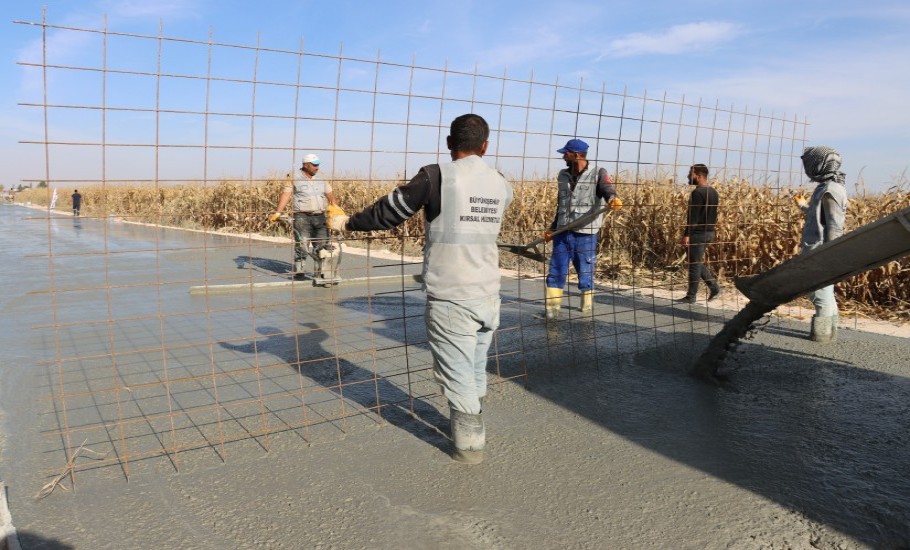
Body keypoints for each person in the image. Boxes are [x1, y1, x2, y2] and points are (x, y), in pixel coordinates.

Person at [327, 114, 512, 465]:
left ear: (448, 143)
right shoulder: (501, 183)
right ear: (485, 146)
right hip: (489, 294)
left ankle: (469, 452)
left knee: (457, 376)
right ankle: (474, 424)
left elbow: (389, 212)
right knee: (474, 368)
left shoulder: (436, 176)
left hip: (451, 296)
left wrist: (346, 221)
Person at [542, 138, 622, 320]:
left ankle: (585, 311)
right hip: (562, 232)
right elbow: (561, 204)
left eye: (566, 153)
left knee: (585, 272)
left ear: (576, 155)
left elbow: (607, 188)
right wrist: (552, 228)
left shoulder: (598, 173)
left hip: (586, 233)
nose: (563, 156)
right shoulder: (562, 175)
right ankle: (551, 311)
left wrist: (612, 198)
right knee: (556, 270)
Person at [795, 146, 847, 342]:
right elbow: (820, 216)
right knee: (825, 290)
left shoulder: (831, 189)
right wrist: (802, 206)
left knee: (817, 290)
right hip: (819, 249)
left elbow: (835, 225)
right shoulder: (827, 187)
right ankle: (829, 331)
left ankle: (822, 334)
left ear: (819, 165)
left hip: (821, 251)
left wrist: (831, 254)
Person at [270, 154, 338, 274]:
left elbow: (330, 194)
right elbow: (286, 195)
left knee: (323, 246)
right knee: (302, 245)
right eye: (314, 165)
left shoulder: (321, 177)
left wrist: (335, 209)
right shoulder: (293, 177)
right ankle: (299, 270)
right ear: (305, 165)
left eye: (318, 165)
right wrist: (278, 212)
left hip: (321, 217)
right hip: (302, 217)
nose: (317, 168)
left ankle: (321, 272)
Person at [677, 164, 721, 304]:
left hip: (698, 233)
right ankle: (714, 287)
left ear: (699, 176)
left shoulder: (697, 193)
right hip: (709, 232)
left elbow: (693, 217)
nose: (688, 176)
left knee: (694, 264)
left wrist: (687, 234)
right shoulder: (713, 192)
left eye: (691, 174)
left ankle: (691, 297)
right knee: (695, 261)